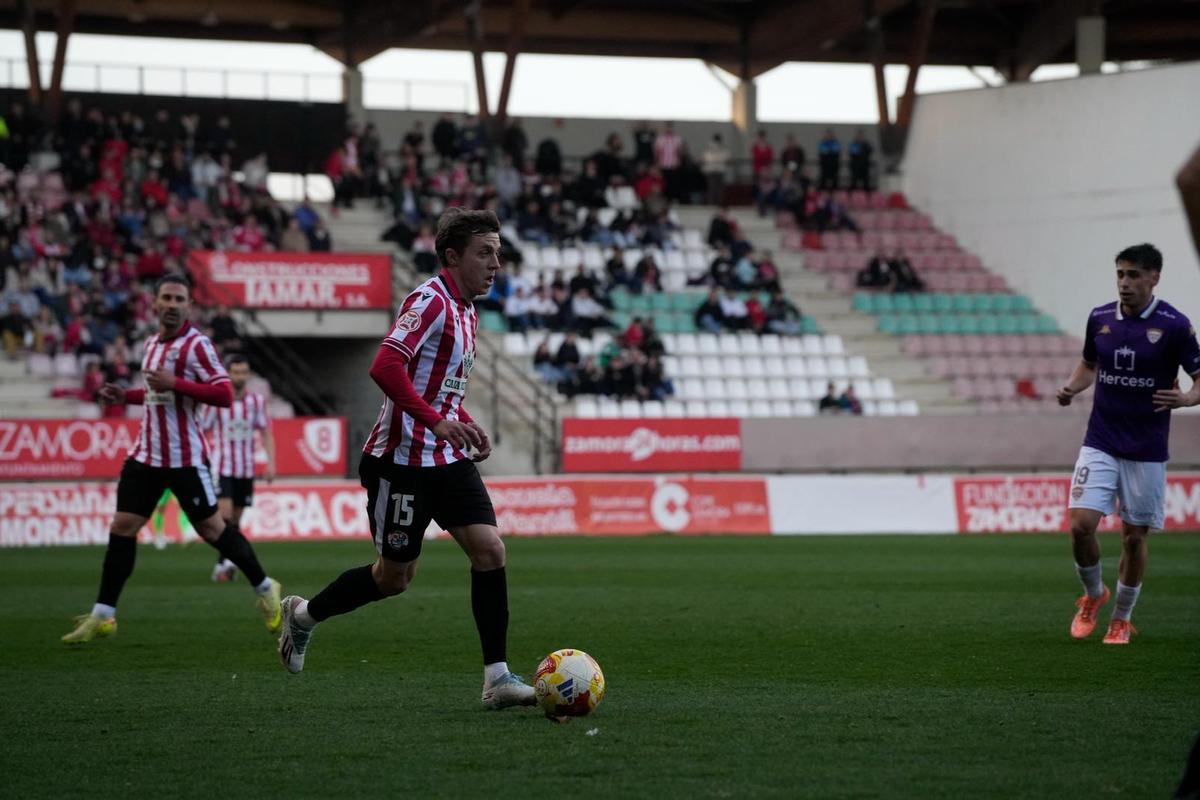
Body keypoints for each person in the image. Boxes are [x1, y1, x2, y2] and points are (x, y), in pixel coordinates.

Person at [275, 209, 536, 710]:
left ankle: (497, 678)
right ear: (452, 256)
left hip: (446, 457)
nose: (496, 263)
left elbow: (438, 388)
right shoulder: (429, 301)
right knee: (393, 578)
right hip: (399, 462)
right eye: (486, 252)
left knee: (490, 551)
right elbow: (385, 365)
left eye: (499, 253)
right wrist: (436, 421)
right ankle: (303, 615)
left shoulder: (468, 311)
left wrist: (461, 418)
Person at [62, 274, 282, 644]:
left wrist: (176, 383)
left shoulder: (197, 346)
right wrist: (125, 397)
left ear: (189, 306)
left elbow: (225, 394)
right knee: (122, 526)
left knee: (213, 530)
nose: (173, 304)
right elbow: (155, 394)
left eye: (181, 298)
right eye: (167, 297)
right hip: (146, 455)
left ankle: (264, 587)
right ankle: (104, 615)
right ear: (155, 303)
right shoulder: (151, 344)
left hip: (184, 458)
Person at [1055, 243, 1200, 645]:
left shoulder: (1174, 325)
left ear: (1154, 277)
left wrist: (1187, 398)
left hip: (1146, 449)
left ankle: (1121, 617)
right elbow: (1089, 363)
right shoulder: (1100, 318)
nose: (1124, 283)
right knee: (1080, 527)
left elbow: (1199, 378)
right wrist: (1072, 387)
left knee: (1134, 538)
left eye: (1134, 275)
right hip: (1100, 440)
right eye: (1120, 274)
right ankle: (1092, 595)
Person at [200, 354, 275, 583]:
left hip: (246, 468)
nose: (240, 376)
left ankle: (223, 562)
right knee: (224, 516)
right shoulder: (218, 401)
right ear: (228, 373)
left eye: (244, 372)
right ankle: (226, 563)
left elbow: (266, 431)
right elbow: (203, 429)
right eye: (236, 372)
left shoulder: (256, 402)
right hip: (223, 466)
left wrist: (271, 463)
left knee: (236, 519)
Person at [702, 133, 730, 206]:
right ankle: (715, 204)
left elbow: (726, 157)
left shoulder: (719, 148)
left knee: (713, 189)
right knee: (715, 189)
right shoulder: (713, 148)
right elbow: (706, 158)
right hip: (716, 170)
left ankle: (712, 204)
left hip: (714, 170)